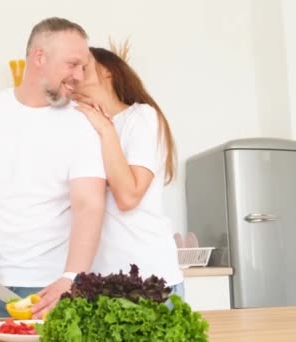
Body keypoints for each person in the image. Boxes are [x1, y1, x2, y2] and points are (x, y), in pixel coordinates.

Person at [0, 17, 106, 321]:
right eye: (72, 64)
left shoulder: (83, 122)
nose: (79, 75)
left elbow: (89, 203)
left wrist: (71, 277)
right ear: (39, 57)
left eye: (83, 67)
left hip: (52, 288)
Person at [73, 46, 185, 301]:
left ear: (108, 71)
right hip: (98, 280)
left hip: (147, 278)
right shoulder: (84, 128)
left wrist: (106, 129)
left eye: (84, 66)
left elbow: (128, 196)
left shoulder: (141, 117)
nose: (76, 75)